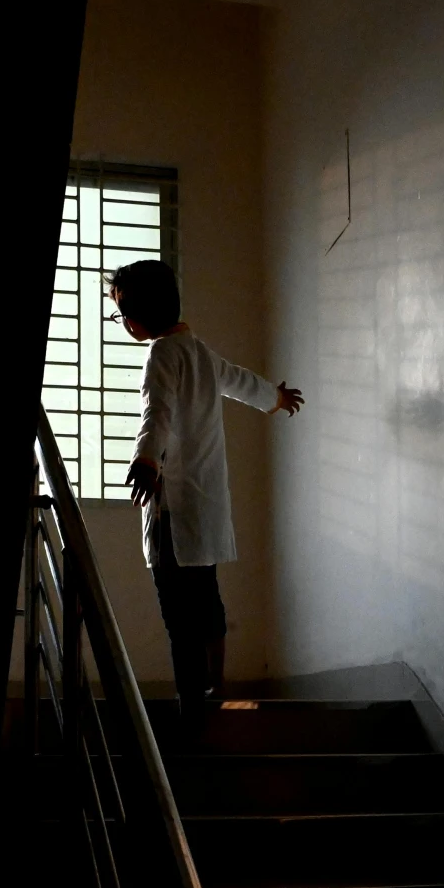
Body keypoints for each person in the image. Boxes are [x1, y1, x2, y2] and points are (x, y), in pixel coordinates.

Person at [108, 258, 304, 730]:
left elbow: (157, 413)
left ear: (135, 321)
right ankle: (217, 682)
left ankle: (190, 703)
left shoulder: (160, 355)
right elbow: (241, 381)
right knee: (207, 599)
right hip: (209, 503)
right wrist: (275, 399)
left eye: (119, 314)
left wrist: (148, 459)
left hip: (175, 506)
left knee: (178, 616)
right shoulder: (199, 352)